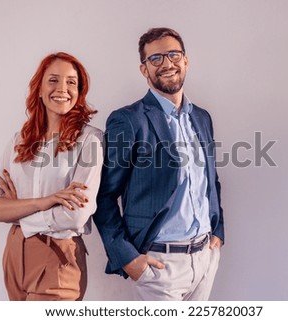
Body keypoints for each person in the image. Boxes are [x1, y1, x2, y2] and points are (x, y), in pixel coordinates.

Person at [93, 27, 224, 300]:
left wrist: (218, 232)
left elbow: (211, 179)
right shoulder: (129, 120)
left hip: (205, 259)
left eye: (173, 55)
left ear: (185, 60)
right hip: (159, 265)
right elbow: (104, 196)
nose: (167, 64)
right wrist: (128, 258)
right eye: (156, 59)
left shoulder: (202, 117)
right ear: (144, 70)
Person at [0, 52, 104, 301]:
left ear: (80, 91)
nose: (62, 88)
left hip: (57, 257)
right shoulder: (20, 140)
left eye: (71, 82)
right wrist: (44, 201)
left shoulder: (90, 141)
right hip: (14, 255)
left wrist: (16, 211)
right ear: (39, 89)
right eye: (53, 80)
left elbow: (75, 216)